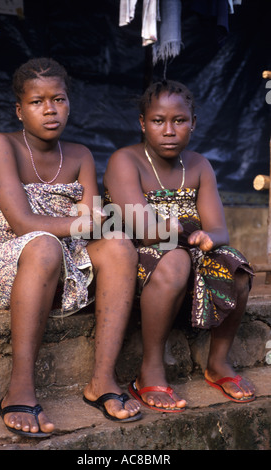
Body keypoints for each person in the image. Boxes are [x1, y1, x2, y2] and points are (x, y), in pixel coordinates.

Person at [0, 57, 142, 437]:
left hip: (58, 262)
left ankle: (102, 379)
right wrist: (89, 221)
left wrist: (113, 226)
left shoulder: (81, 154)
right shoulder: (0, 145)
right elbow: (23, 224)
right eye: (37, 102)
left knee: (117, 246)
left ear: (69, 103)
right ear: (19, 110)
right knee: (43, 243)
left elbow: (95, 224)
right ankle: (19, 387)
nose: (50, 109)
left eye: (59, 99)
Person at [104, 79, 255, 412]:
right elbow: (143, 231)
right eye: (158, 121)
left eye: (179, 120)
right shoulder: (125, 161)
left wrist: (208, 238)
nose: (169, 130)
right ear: (143, 124)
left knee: (238, 268)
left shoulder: (199, 165)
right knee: (174, 260)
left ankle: (218, 364)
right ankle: (150, 370)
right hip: (138, 256)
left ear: (193, 123)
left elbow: (218, 228)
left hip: (187, 250)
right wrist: (183, 235)